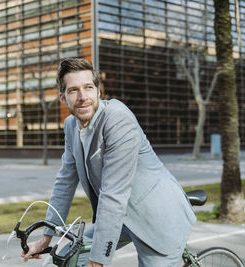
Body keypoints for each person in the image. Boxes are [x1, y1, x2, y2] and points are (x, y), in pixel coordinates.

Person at [22, 58, 196, 267]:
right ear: (62, 97)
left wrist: (98, 261)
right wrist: (46, 238)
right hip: (119, 218)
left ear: (98, 92)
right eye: (73, 90)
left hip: (157, 218)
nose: (83, 97)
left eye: (88, 87)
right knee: (70, 259)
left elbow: (113, 194)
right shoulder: (71, 126)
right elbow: (64, 182)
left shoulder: (118, 119)